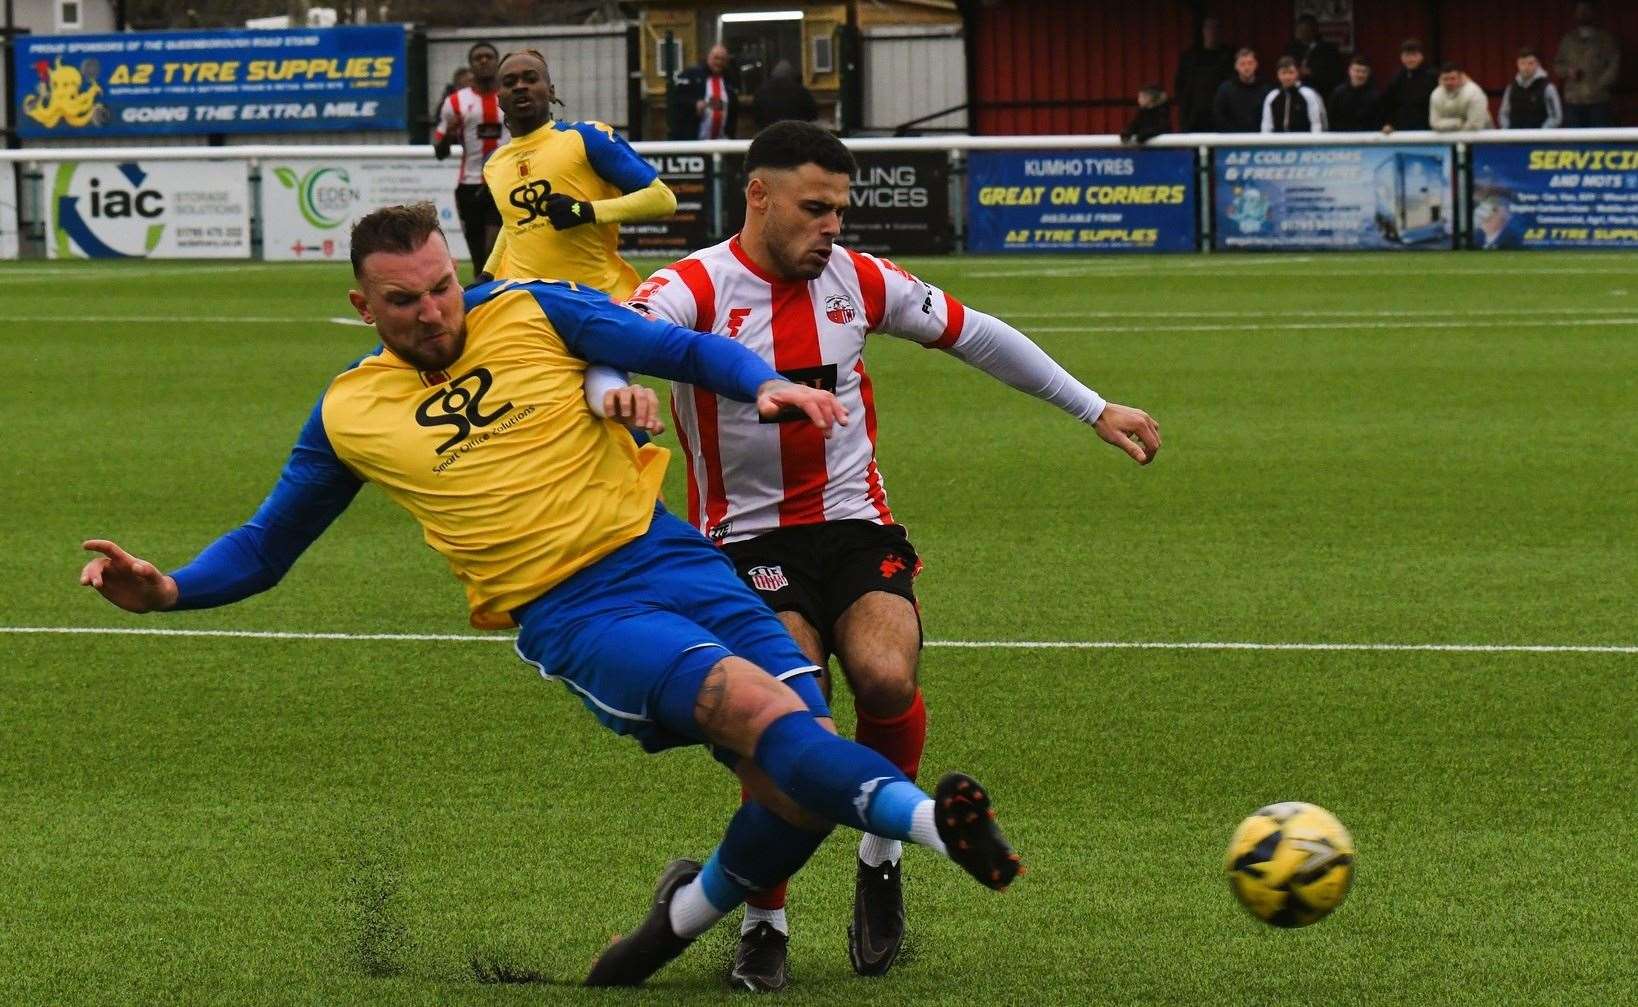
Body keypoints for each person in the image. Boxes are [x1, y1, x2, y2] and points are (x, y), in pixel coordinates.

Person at [78, 201, 1024, 990]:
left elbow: (676, 349)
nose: (435, 312)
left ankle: (673, 925)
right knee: (755, 708)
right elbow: (265, 545)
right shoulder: (345, 413)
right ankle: (934, 828)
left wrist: (766, 382)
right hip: (578, 612)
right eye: (405, 301)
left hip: (674, 557)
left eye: (444, 287)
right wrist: (167, 588)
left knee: (798, 769)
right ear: (363, 304)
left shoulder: (531, 307)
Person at [627, 121, 1160, 992]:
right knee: (787, 728)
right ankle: (765, 921)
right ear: (758, 195)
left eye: (840, 208)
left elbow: (975, 331)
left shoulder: (858, 278)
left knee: (886, 679)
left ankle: (880, 857)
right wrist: (618, 387)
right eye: (814, 208)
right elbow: (620, 334)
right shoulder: (691, 285)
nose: (832, 226)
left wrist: (1092, 406)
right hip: (745, 539)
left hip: (854, 524)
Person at [479, 49, 677, 300]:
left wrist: (584, 211)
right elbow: (514, 222)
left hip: (597, 298)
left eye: (530, 79)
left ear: (550, 91)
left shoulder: (586, 137)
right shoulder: (494, 164)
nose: (520, 86)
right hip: (531, 306)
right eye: (510, 83)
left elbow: (663, 199)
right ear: (499, 98)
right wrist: (487, 274)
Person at [433, 42, 509, 278]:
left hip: (504, 183)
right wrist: (448, 134)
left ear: (497, 63)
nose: (484, 61)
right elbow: (440, 151)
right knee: (479, 258)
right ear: (471, 65)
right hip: (470, 185)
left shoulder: (510, 96)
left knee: (493, 248)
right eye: (478, 58)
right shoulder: (455, 102)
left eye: (489, 56)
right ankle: (483, 308)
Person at [1554, 1, 1620, 127]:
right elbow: (1558, 65)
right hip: (1573, 100)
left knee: (1599, 142)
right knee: (1575, 142)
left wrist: (1600, 83)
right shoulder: (1568, 40)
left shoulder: (1605, 39)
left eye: (1586, 10)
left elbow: (1614, 65)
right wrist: (1568, 71)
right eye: (1580, 11)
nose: (1583, 14)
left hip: (1598, 100)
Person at [1174, 16, 1234, 132]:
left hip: (1221, 117)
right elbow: (1180, 86)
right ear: (1203, 31)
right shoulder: (1190, 57)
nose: (1212, 32)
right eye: (1209, 28)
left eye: (1216, 28)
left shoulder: (1228, 57)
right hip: (1193, 117)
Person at [672, 43, 739, 141]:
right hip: (694, 141)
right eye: (716, 58)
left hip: (723, 141)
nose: (719, 62)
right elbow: (676, 100)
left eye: (723, 59)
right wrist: (694, 104)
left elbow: (734, 110)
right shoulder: (691, 74)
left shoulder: (730, 80)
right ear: (708, 57)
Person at [1381, 39, 1438, 133]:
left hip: (1428, 131)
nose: (1410, 59)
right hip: (1401, 131)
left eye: (1414, 55)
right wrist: (1389, 123)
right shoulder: (1397, 79)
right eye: (1407, 55)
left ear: (1421, 56)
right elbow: (1389, 104)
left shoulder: (1433, 76)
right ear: (1401, 57)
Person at [1500, 47, 1563, 130]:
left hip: (1540, 139)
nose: (1526, 67)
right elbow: (1504, 114)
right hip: (1514, 138)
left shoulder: (1548, 88)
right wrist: (1507, 132)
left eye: (1530, 63)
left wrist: (1540, 134)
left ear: (1537, 64)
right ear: (1517, 64)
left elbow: (1556, 117)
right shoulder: (1511, 88)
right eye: (1522, 63)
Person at [1285, 13, 1343, 99]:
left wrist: (1312, 73)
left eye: (1304, 29)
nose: (1300, 32)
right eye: (1298, 29)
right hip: (1295, 93)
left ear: (1313, 30)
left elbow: (1335, 75)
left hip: (1321, 92)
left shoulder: (1328, 50)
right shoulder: (1291, 48)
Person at [1213, 48, 1272, 133]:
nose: (1247, 67)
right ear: (1236, 66)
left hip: (1259, 140)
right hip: (1231, 141)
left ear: (1256, 65)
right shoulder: (1225, 90)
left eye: (1250, 63)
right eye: (1242, 64)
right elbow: (1219, 116)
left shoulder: (1266, 90)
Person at [1263, 55, 1325, 133]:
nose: (1287, 77)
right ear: (1278, 75)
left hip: (1303, 142)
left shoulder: (1309, 95)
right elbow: (1266, 125)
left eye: (1291, 72)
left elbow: (1316, 124)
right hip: (1278, 143)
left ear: (1297, 73)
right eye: (1283, 73)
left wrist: (1315, 144)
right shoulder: (1271, 97)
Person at [752, 59, 819, 130]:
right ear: (791, 74)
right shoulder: (800, 91)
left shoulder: (761, 91)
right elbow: (813, 116)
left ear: (773, 74)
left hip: (768, 133)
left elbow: (756, 117)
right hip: (795, 133)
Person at [1429, 62, 1493, 132]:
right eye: (1445, 79)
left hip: (1482, 137)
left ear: (1461, 78)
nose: (1449, 82)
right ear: (1440, 79)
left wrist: (1448, 127)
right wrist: (1458, 122)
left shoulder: (1474, 93)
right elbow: (1434, 123)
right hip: (1451, 137)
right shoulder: (1436, 94)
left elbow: (1474, 125)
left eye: (1452, 78)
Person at [1328, 54, 1384, 132]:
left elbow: (1379, 122)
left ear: (1368, 73)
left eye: (1364, 72)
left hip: (1368, 139)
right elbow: (1332, 119)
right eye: (1357, 71)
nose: (1360, 75)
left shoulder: (1375, 96)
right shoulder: (1338, 93)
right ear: (1349, 71)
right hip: (1342, 139)